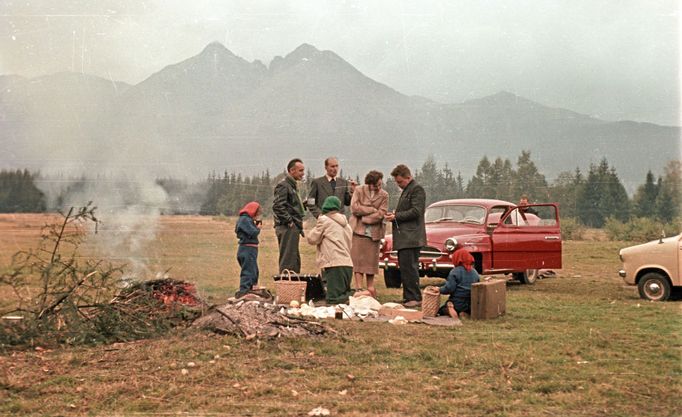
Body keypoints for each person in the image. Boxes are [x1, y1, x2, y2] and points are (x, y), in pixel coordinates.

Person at [384, 164, 426, 307]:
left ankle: (415, 298)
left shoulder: (417, 189)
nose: (399, 185)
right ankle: (408, 297)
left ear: (408, 177)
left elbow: (416, 211)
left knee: (410, 268)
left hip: (411, 237)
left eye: (400, 182)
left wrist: (396, 216)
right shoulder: (408, 190)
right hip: (405, 238)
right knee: (405, 268)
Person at [306, 196, 353, 305]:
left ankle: (361, 295)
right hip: (347, 264)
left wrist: (318, 220)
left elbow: (312, 239)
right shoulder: (347, 225)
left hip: (334, 264)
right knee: (342, 294)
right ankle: (356, 295)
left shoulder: (324, 220)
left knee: (333, 299)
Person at [349, 170, 388, 298]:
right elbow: (354, 208)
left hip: (374, 233)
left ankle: (370, 287)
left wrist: (365, 218)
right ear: (369, 184)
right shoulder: (359, 190)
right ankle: (359, 287)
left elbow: (381, 213)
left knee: (371, 262)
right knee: (358, 260)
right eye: (376, 185)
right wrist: (371, 210)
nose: (378, 188)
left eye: (380, 185)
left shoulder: (384, 195)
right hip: (358, 231)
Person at [273, 158, 306, 273]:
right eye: (301, 171)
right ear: (292, 171)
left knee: (294, 259)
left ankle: (293, 287)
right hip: (287, 227)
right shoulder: (284, 185)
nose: (303, 173)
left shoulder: (292, 186)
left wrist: (303, 205)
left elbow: (290, 206)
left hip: (293, 227)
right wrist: (289, 222)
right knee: (288, 260)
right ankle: (286, 287)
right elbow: (278, 206)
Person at [437, 248, 480, 319]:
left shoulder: (455, 272)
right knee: (465, 309)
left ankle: (450, 308)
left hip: (457, 302)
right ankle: (464, 313)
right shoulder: (475, 272)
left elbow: (449, 288)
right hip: (470, 303)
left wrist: (439, 289)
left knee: (441, 310)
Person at [234, 201, 262, 298]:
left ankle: (250, 289)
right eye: (257, 213)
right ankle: (244, 291)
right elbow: (253, 232)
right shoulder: (245, 219)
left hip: (247, 248)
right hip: (248, 248)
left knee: (253, 269)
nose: (257, 215)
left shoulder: (244, 219)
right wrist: (258, 228)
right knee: (249, 270)